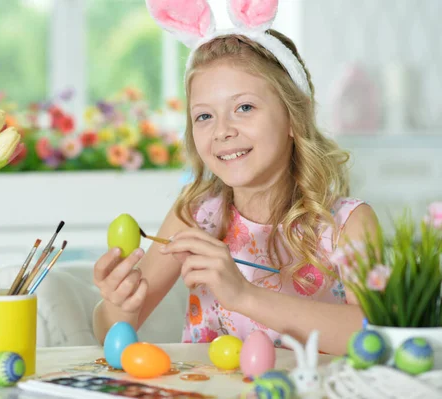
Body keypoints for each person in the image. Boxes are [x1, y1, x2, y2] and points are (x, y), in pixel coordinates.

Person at [92, 0, 379, 356]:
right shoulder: (195, 217)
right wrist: (121, 303)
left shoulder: (346, 224)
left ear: (293, 119)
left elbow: (374, 333)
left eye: (244, 108)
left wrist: (244, 296)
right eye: (204, 116)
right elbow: (110, 330)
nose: (222, 131)